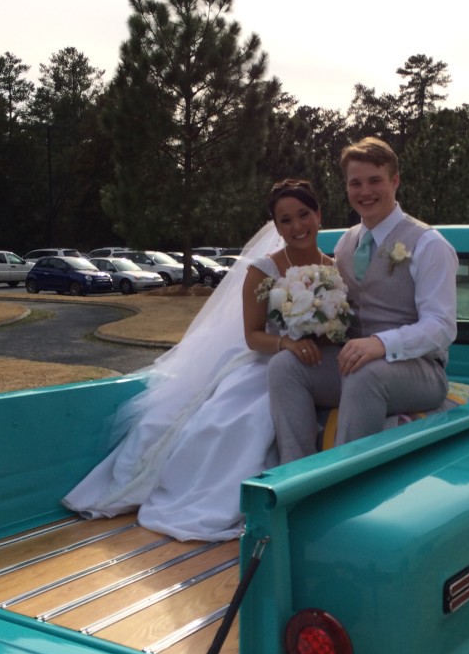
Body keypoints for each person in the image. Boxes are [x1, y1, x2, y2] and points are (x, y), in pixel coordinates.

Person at [62, 179, 335, 541]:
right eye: (285, 221)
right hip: (266, 361)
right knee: (241, 419)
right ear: (276, 226)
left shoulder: (333, 268)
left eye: (303, 215)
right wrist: (287, 343)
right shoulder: (263, 270)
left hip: (315, 367)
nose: (297, 226)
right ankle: (213, 501)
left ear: (318, 214)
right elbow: (254, 336)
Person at [268, 137, 459, 461]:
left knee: (364, 373)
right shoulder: (345, 244)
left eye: (375, 180)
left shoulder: (429, 244)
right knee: (285, 367)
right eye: (355, 183)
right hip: (356, 363)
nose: (365, 191)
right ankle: (295, 477)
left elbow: (441, 327)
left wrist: (381, 344)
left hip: (421, 370)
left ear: (394, 181)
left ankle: (342, 484)